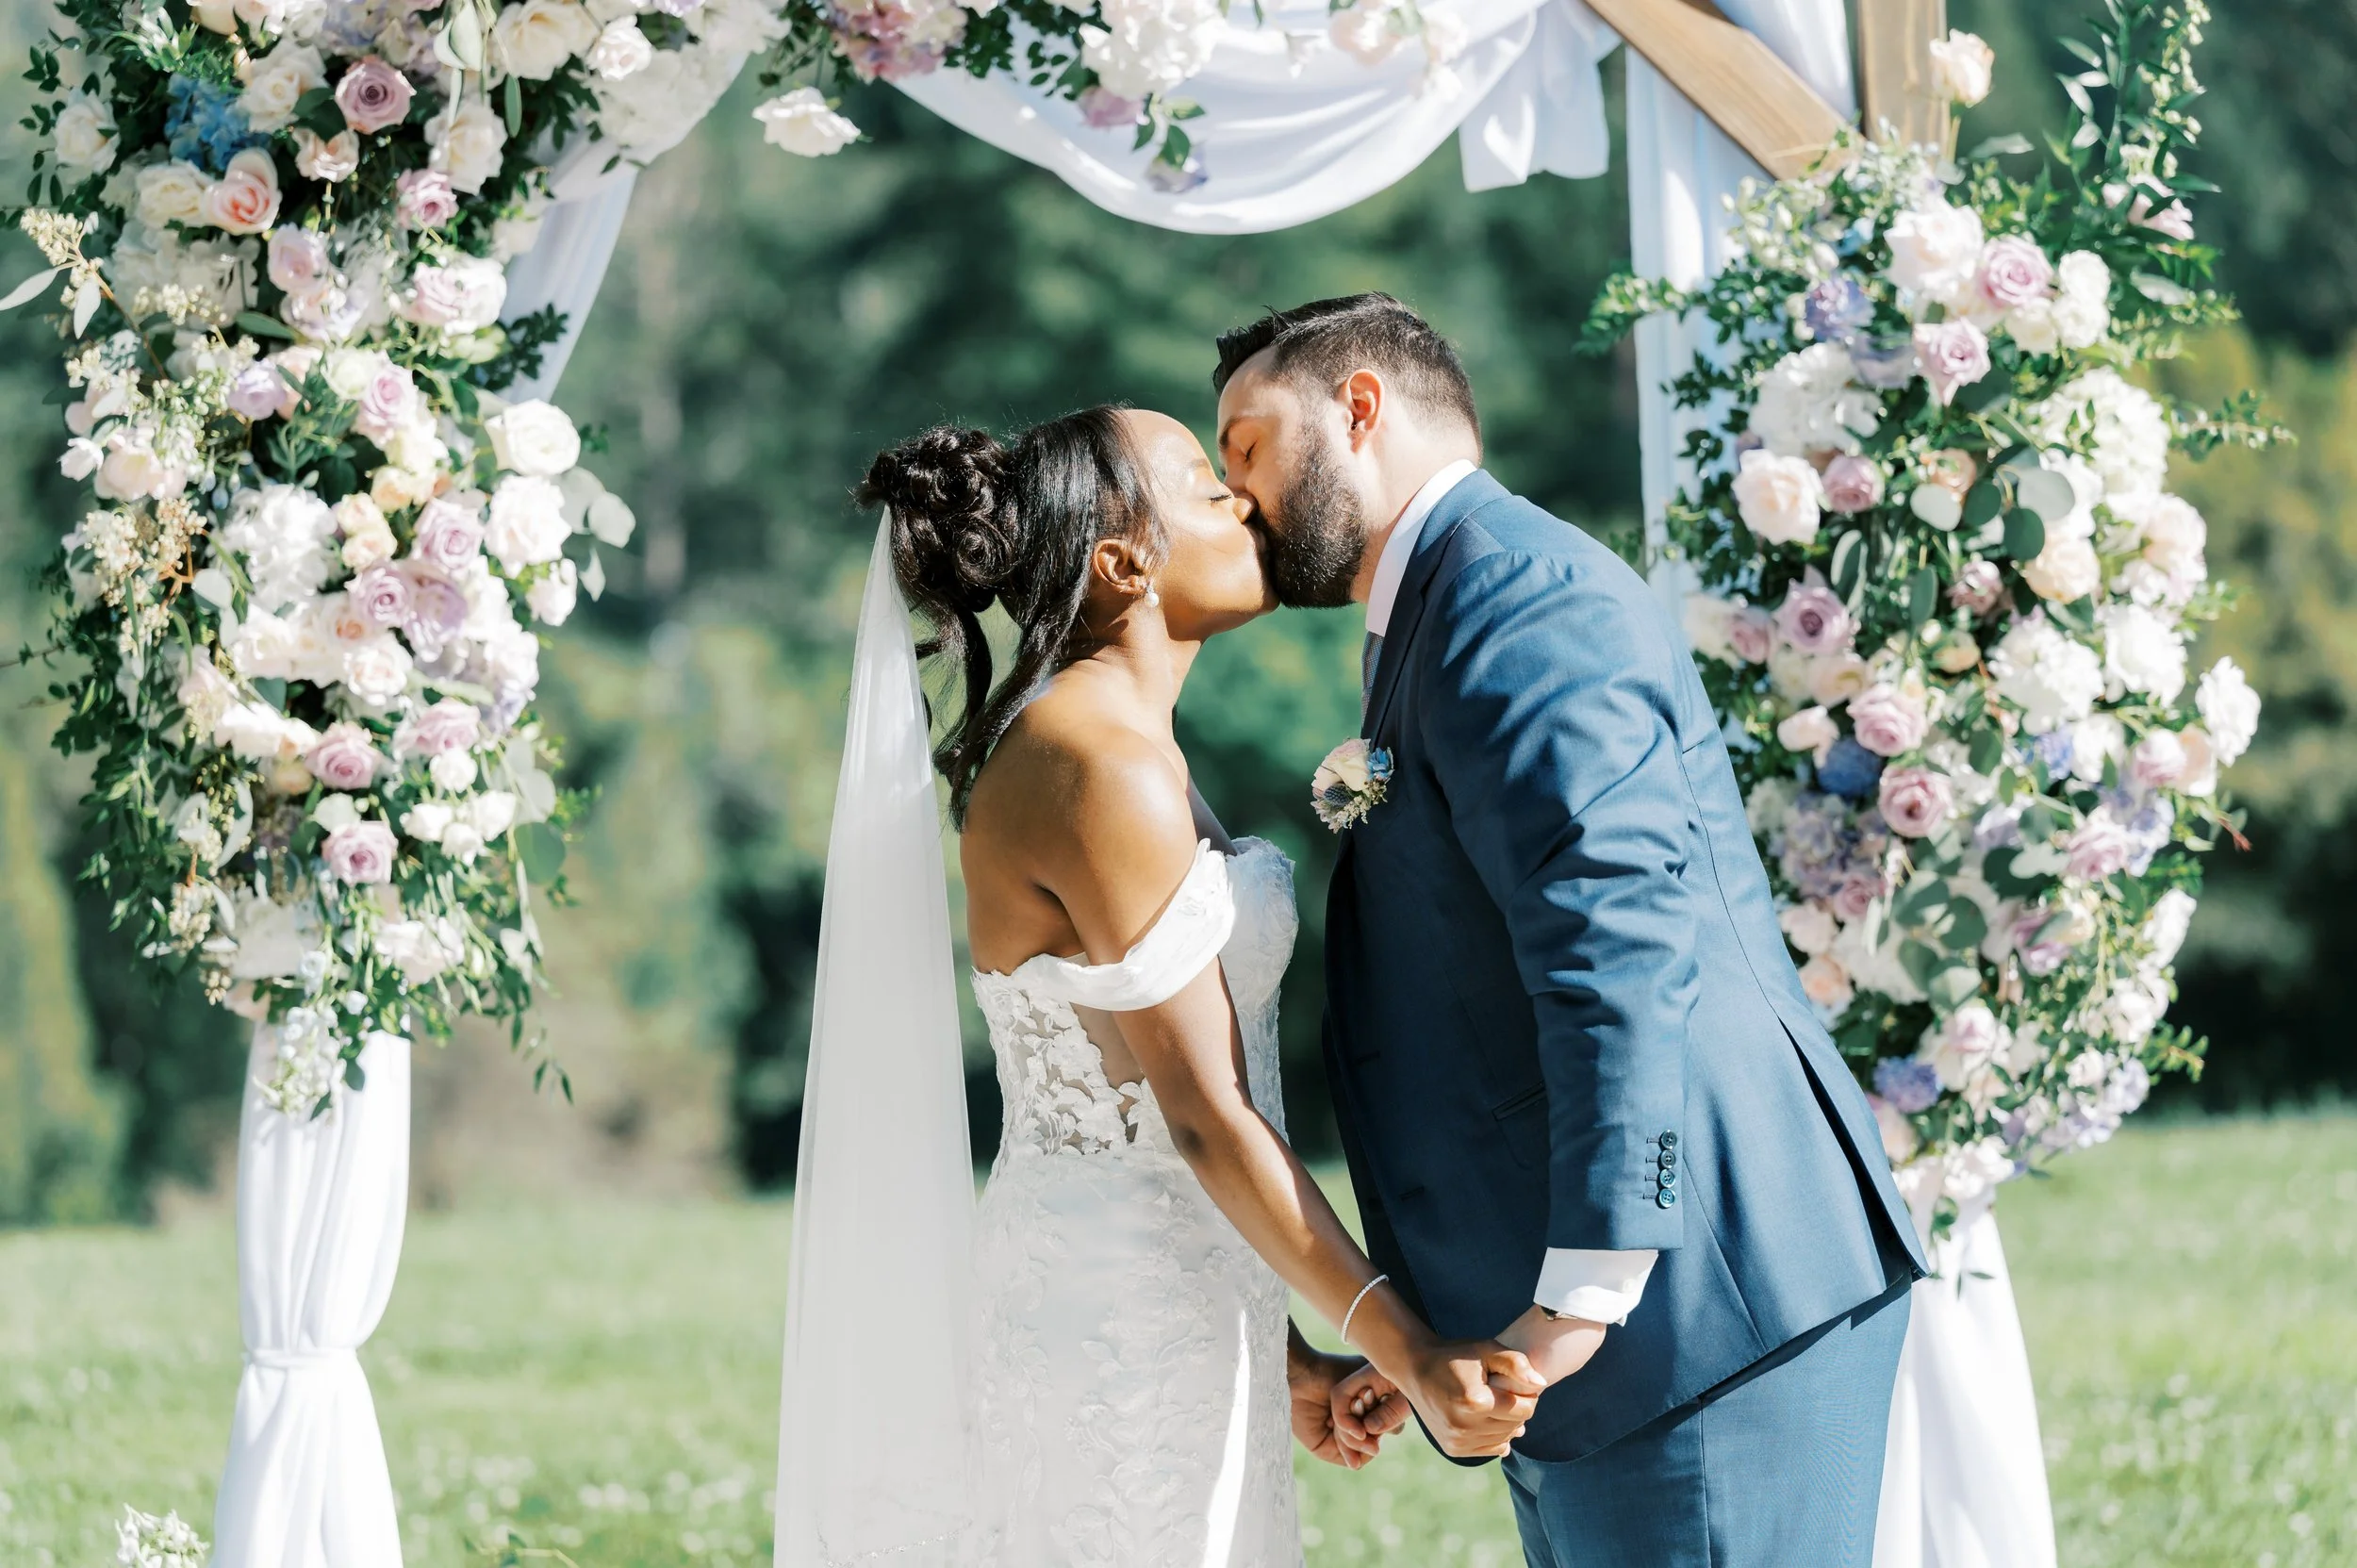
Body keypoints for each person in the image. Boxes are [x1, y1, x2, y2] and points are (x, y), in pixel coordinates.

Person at [1211, 294, 1931, 1568]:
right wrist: (1459, 1321)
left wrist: (1581, 1301)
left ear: (1360, 407)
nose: (1236, 493)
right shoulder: (1443, 605)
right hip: (1605, 1338)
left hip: (1694, 1317)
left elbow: (1618, 953)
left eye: (1248, 445)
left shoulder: (1513, 603)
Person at [855, 407, 1541, 1566]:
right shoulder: (1098, 764)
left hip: (1166, 1302)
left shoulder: (1119, 746)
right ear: (1123, 561)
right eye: (1201, 483)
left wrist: (1285, 1358)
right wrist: (1407, 1346)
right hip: (1116, 1333)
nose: (1244, 502)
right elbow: (1200, 1112)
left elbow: (1135, 1091)